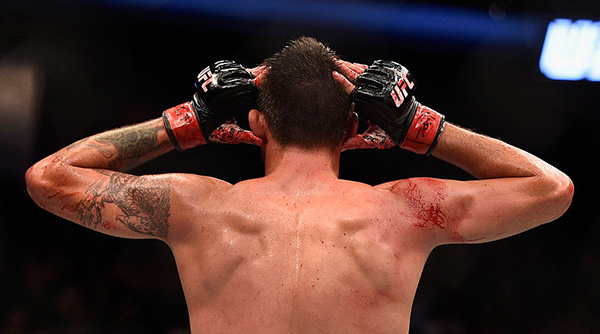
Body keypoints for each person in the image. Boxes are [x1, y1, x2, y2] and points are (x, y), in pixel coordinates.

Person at [25, 37, 573, 333]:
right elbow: (551, 189)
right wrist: (419, 126)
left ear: (256, 125)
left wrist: (188, 120)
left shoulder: (198, 208)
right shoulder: (404, 211)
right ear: (357, 130)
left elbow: (49, 178)